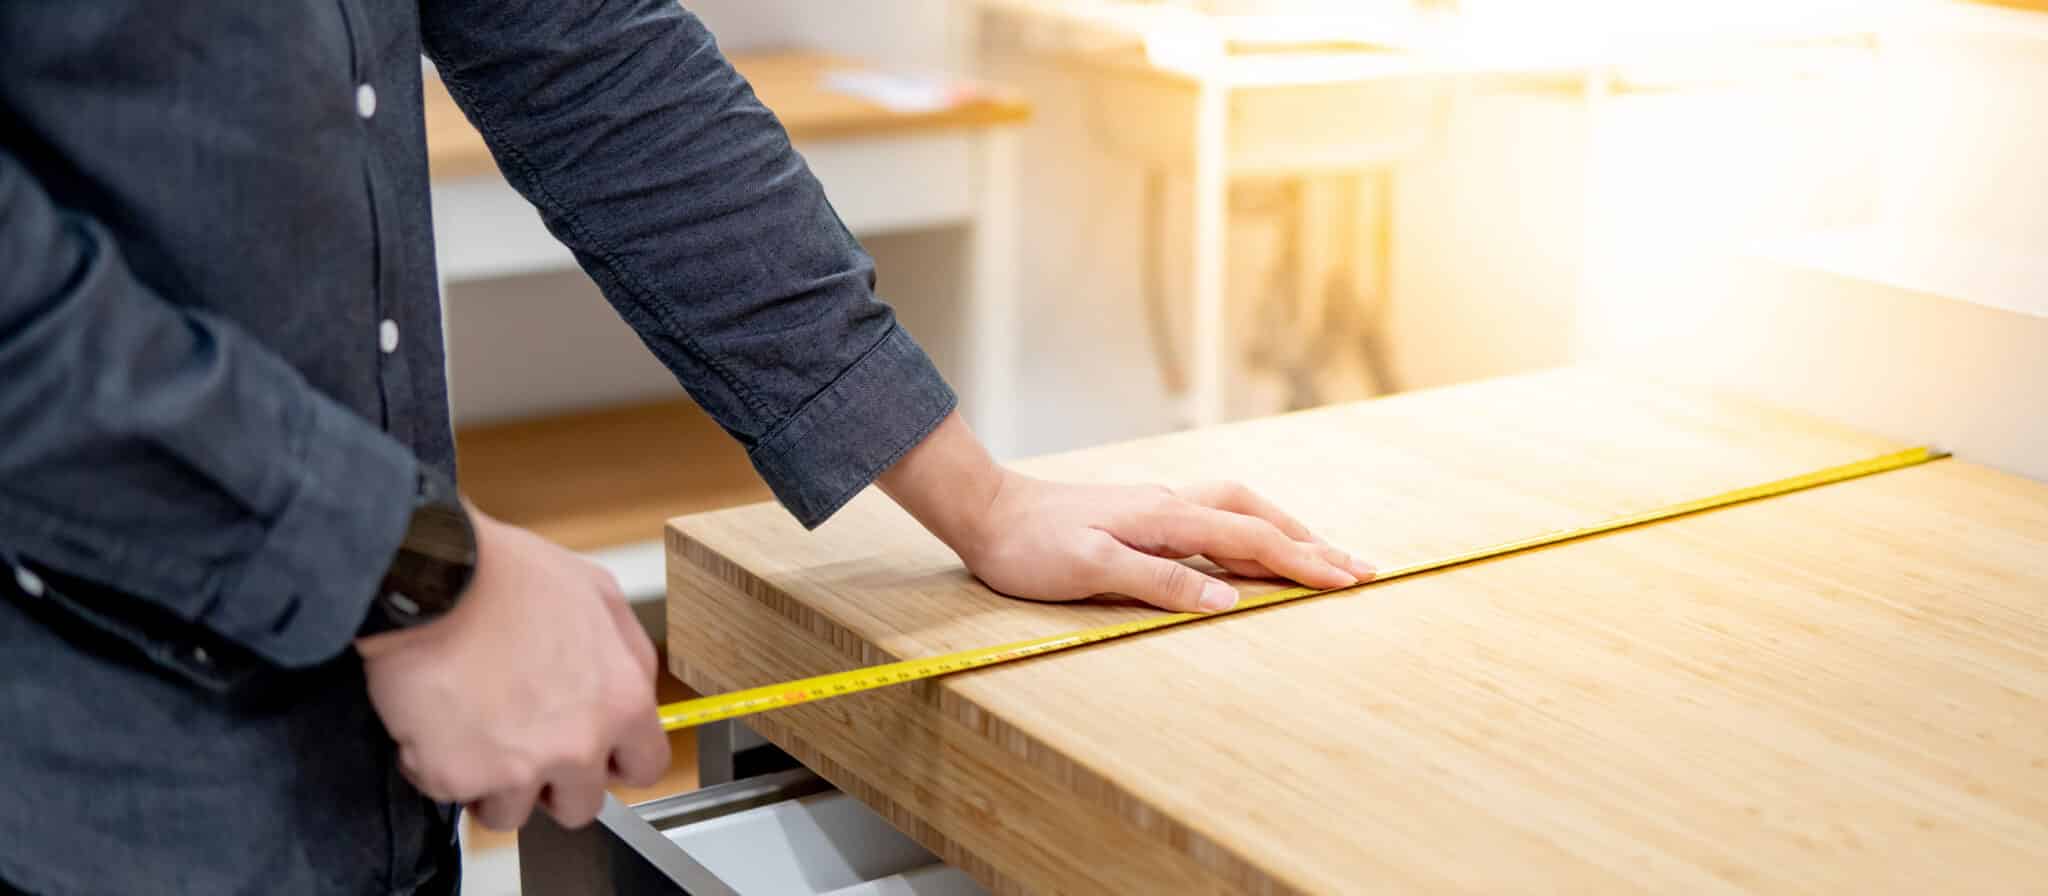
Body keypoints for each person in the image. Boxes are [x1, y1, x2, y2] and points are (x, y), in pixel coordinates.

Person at [0, 3, 1376, 894]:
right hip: (77, 783)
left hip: (353, 781)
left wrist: (980, 496)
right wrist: (407, 571)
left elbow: (590, 56)